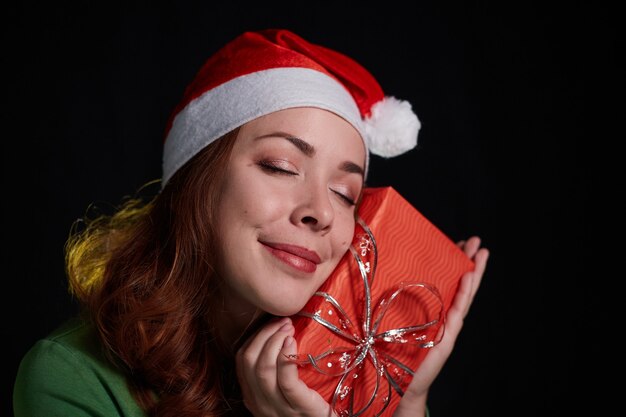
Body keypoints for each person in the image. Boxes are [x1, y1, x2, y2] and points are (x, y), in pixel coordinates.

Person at [13, 29, 489, 417]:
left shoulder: (343, 379)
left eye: (346, 195)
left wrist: (405, 404)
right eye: (281, 166)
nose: (321, 213)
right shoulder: (70, 378)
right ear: (197, 180)